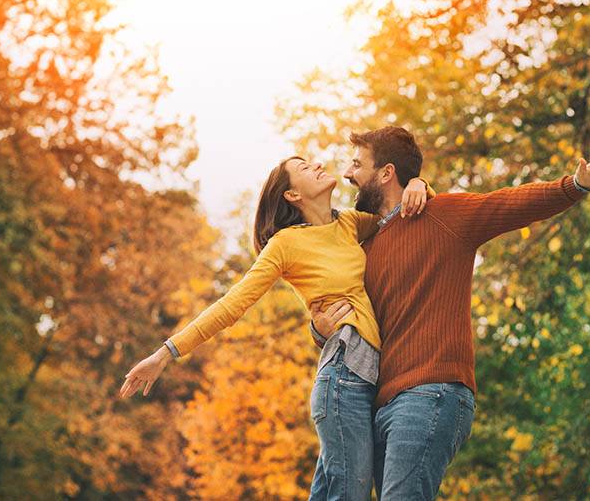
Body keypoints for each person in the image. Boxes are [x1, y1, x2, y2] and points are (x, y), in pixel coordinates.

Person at [309, 126, 590, 500]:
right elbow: (350, 320)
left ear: (386, 173)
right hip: (381, 405)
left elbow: (509, 204)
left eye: (356, 164)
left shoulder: (444, 214)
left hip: (431, 392)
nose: (349, 173)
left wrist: (576, 185)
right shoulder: (363, 247)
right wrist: (319, 329)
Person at [118, 155, 434, 501]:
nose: (316, 165)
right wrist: (165, 353)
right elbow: (232, 304)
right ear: (292, 196)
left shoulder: (349, 224)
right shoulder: (285, 245)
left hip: (369, 376)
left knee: (335, 491)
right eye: (303, 168)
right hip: (343, 379)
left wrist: (419, 185)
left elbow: (400, 214)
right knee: (350, 493)